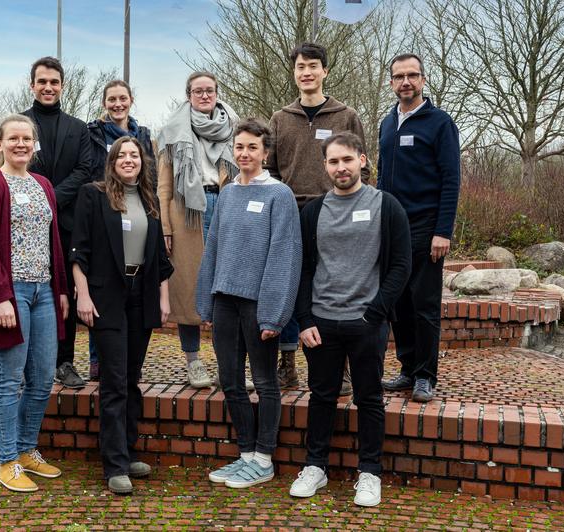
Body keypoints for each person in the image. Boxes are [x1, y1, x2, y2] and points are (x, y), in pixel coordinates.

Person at [290, 132, 411, 507]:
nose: (340, 167)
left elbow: (400, 266)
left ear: (362, 160)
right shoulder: (312, 212)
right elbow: (304, 270)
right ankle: (316, 467)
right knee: (322, 396)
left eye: (347, 159)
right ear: (324, 166)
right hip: (321, 324)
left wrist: (374, 314)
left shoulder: (385, 206)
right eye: (333, 161)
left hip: (366, 323)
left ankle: (370, 472)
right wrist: (305, 319)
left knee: (369, 398)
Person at [197, 119, 301, 489]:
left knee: (264, 380)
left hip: (259, 304)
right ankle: (244, 454)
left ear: (265, 152)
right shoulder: (226, 194)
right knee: (230, 380)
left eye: (252, 148)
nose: (244, 153)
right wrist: (205, 300)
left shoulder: (279, 195)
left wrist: (274, 312)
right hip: (225, 300)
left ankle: (263, 458)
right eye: (239, 147)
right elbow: (214, 248)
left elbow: (284, 257)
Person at [0, 115, 70, 493]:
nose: (21, 144)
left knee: (42, 379)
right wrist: (0, 298)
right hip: (10, 294)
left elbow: (53, 241)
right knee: (9, 380)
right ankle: (7, 460)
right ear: (0, 144)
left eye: (27, 139)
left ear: (34, 144)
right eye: (13, 138)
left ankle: (28, 450)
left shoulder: (43, 185)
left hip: (44, 292)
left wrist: (60, 290)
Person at [71, 137, 173, 495]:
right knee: (114, 380)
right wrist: (82, 295)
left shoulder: (149, 199)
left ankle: (127, 454)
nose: (129, 160)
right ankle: (113, 465)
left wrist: (163, 298)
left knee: (131, 378)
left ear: (142, 162)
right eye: (122, 155)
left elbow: (160, 257)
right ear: (112, 162)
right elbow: (79, 251)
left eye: (134, 155)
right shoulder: (93, 195)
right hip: (105, 297)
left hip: (141, 296)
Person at [267, 42, 370, 392]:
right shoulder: (280, 119)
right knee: (289, 287)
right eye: (300, 67)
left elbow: (363, 167)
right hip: (291, 214)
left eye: (313, 66)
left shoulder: (346, 116)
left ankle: (338, 368)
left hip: (335, 212)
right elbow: (271, 172)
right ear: (294, 73)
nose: (306, 72)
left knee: (334, 285)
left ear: (325, 71)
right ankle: (287, 365)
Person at [377, 53, 460, 403]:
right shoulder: (386, 123)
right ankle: (408, 368)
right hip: (392, 228)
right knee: (398, 304)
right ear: (392, 82)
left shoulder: (439, 123)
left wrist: (443, 231)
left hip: (427, 228)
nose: (406, 82)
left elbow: (451, 179)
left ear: (423, 80)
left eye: (412, 75)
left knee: (424, 305)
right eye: (399, 76)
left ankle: (426, 375)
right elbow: (381, 178)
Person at [157, 71, 243, 389]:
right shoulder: (171, 132)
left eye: (209, 91)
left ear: (217, 93)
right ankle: (193, 362)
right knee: (190, 287)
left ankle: (227, 366)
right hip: (185, 215)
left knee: (227, 287)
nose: (204, 96)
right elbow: (163, 186)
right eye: (198, 91)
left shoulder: (234, 128)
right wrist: (165, 227)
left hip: (226, 204)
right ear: (188, 94)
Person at [21, 56, 93, 389]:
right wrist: (40, 200)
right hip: (25, 227)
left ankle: (64, 362)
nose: (48, 87)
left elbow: (84, 171)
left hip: (66, 223)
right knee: (28, 291)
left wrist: (50, 197)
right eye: (42, 82)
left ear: (62, 86)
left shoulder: (78, 128)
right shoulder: (19, 124)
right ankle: (27, 365)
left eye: (54, 82)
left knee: (65, 293)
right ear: (32, 85)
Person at [86, 79, 157, 380]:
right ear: (104, 103)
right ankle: (97, 359)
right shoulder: (93, 133)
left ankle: (126, 365)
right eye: (112, 99)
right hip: (106, 210)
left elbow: (150, 176)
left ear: (131, 100)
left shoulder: (143, 135)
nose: (118, 104)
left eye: (123, 98)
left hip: (136, 210)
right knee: (104, 287)